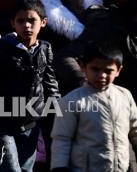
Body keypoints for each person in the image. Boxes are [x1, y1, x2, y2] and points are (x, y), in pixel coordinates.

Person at [0, 0, 60, 172]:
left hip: (30, 125)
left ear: (43, 22)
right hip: (0, 124)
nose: (26, 25)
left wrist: (59, 117)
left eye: (32, 20)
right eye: (21, 21)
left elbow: (50, 85)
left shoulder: (45, 48)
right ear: (13, 23)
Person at [50, 43, 137, 172]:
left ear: (118, 71)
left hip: (121, 168)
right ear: (83, 67)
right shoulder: (71, 101)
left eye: (108, 71)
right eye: (95, 69)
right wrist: (60, 167)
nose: (102, 75)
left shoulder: (124, 96)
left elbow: (134, 131)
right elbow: (62, 138)